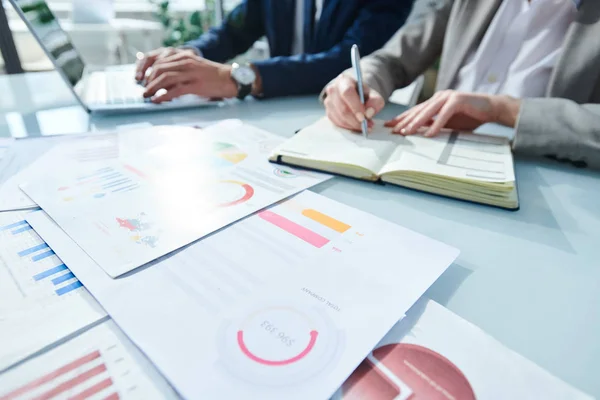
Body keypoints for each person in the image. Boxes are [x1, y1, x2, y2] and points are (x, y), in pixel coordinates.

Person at [324, 0, 600, 170]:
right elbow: (393, 58)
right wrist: (361, 80)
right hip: (428, 152)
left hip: (540, 178)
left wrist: (503, 110)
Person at [136, 0, 412, 103]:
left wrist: (240, 78)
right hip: (274, 110)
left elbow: (347, 61)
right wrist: (189, 54)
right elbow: (233, 32)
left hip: (341, 110)